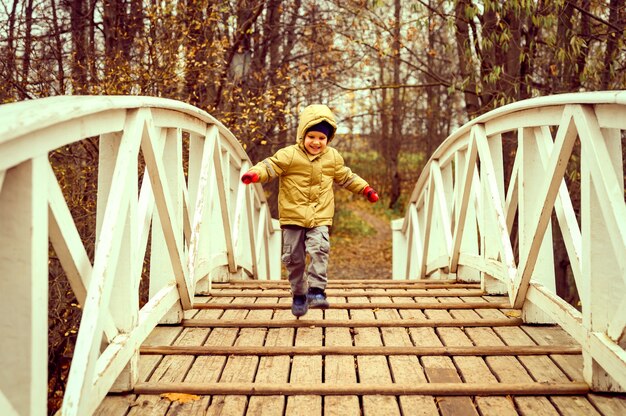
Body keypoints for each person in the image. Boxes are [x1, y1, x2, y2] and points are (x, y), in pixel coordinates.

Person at [241, 104, 379, 317]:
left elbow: (347, 176)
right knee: (294, 259)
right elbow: (271, 165)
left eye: (322, 138)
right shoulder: (289, 155)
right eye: (311, 136)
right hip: (292, 217)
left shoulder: (332, 158)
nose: (316, 142)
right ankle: (299, 294)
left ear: (329, 139)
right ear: (302, 135)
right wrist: (255, 173)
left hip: (320, 216)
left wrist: (365, 189)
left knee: (319, 249)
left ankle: (317, 291)